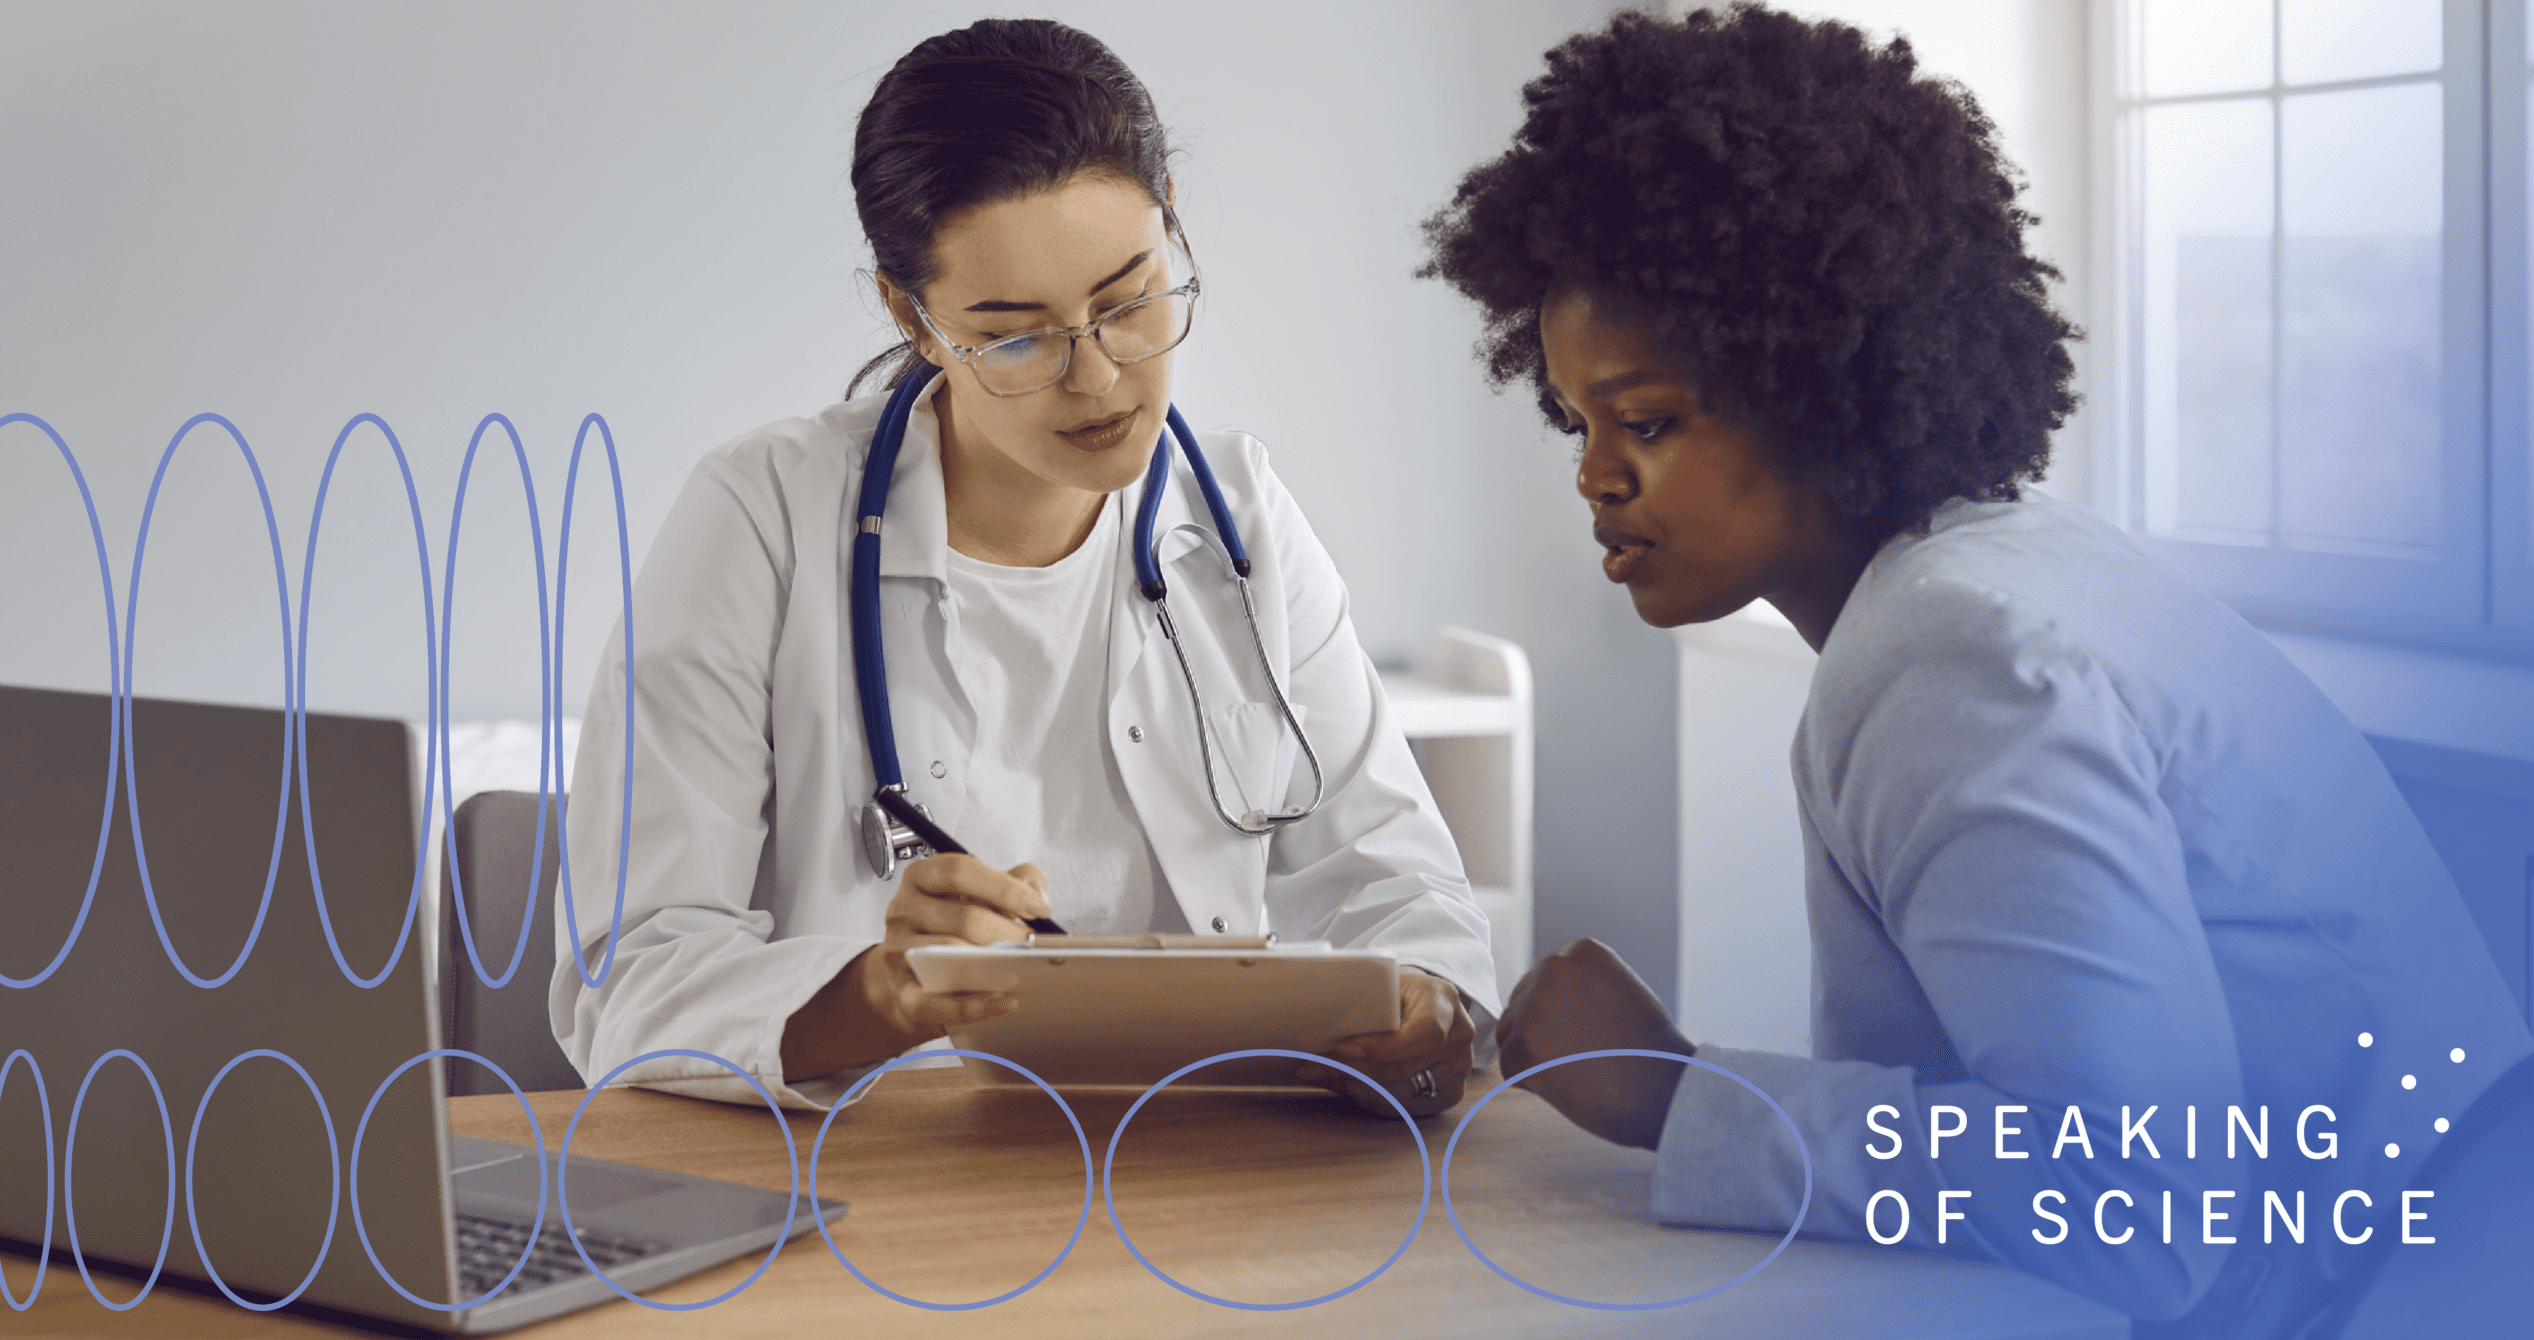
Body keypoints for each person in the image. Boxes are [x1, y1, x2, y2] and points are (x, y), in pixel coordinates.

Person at [1420, 6, 2533, 1335]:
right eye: (1579, 422)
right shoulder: (2016, 568)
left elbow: (2139, 1209)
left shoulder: (1956, 654)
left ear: (1823, 380)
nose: (1597, 477)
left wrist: (1676, 1090)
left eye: (1647, 422)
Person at [551, 18, 1493, 1119]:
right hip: (874, 1195)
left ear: (1170, 220)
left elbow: (1406, 892)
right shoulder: (763, 518)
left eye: (1129, 298)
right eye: (1015, 335)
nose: (1096, 375)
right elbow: (635, 971)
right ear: (911, 313)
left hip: (1198, 1176)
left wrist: (1424, 1010)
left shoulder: (1235, 518)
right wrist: (877, 996)